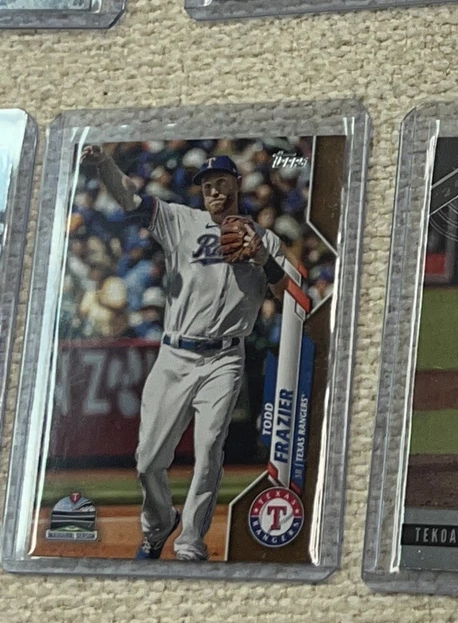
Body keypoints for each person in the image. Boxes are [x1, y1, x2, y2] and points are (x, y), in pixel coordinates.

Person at [80, 147, 296, 562]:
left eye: (222, 183)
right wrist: (105, 165)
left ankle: (191, 541)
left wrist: (262, 258)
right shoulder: (181, 220)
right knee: (148, 460)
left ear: (236, 185)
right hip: (175, 353)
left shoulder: (264, 238)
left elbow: (287, 294)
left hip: (225, 359)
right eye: (207, 185)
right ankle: (160, 523)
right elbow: (129, 198)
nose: (214, 191)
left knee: (210, 448)